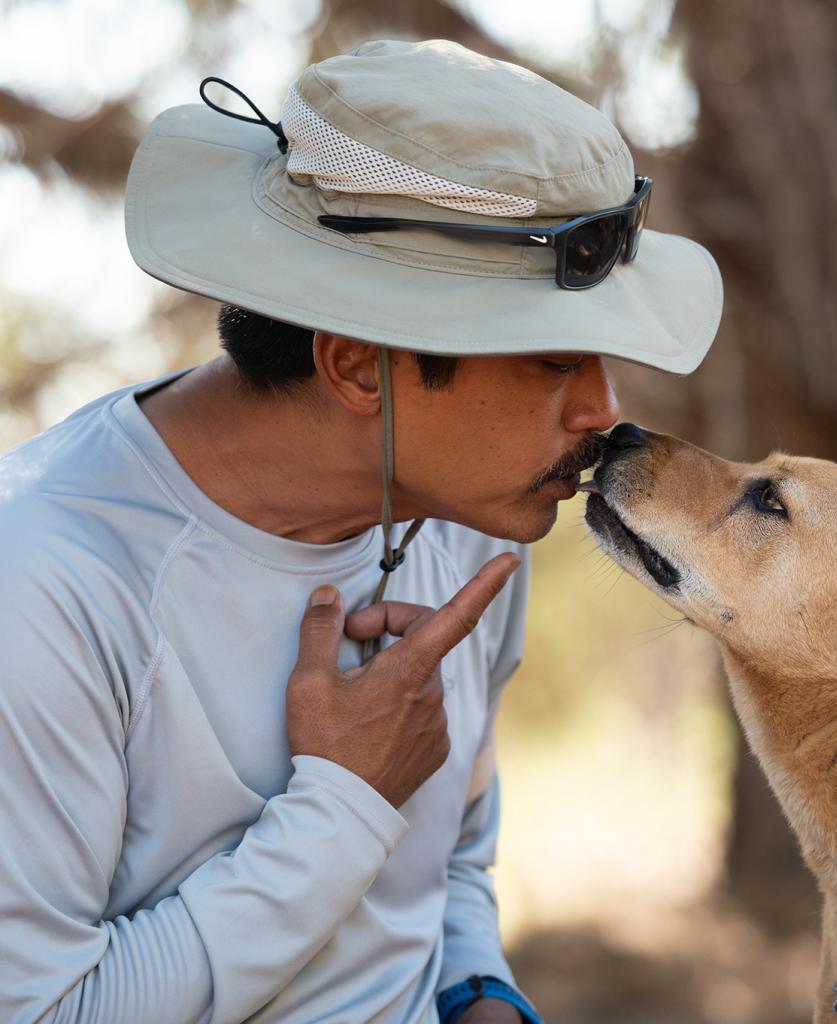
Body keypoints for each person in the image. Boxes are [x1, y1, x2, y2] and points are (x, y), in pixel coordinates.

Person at [0, 38, 722, 1024]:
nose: (603, 409)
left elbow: (451, 860)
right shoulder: (45, 586)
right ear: (356, 367)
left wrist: (481, 993)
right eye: (553, 359)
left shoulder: (477, 523)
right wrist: (340, 804)